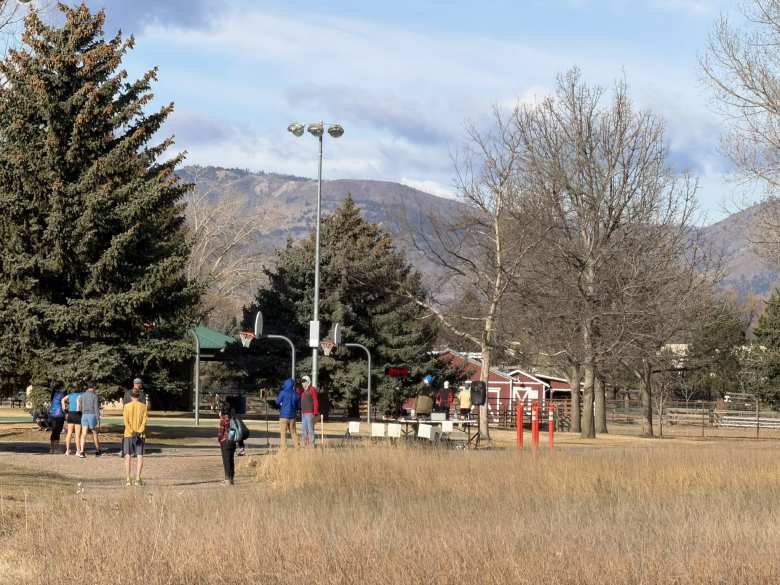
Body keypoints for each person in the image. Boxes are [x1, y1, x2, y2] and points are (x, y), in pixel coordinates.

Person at [122, 387, 148, 487]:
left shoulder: (126, 406)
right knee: (140, 455)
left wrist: (131, 431)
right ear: (139, 396)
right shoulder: (143, 406)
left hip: (128, 434)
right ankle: (137, 479)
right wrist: (139, 431)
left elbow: (125, 421)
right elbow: (144, 421)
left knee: (128, 455)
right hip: (140, 435)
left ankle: (128, 479)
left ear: (131, 396)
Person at [79, 383, 102, 458]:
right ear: (93, 387)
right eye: (95, 388)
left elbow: (80, 407)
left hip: (84, 415)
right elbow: (96, 408)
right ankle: (97, 450)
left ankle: (82, 451)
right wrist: (98, 420)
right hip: (92, 415)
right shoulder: (94, 396)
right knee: (94, 433)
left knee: (83, 434)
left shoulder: (82, 395)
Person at [275, 378, 300, 451]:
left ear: (285, 384)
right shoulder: (296, 394)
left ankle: (284, 449)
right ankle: (297, 447)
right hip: (292, 417)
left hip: (283, 416)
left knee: (283, 433)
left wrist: (281, 405)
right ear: (293, 385)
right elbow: (298, 406)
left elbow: (277, 402)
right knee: (293, 432)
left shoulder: (283, 392)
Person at [217, 401, 236, 485]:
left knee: (226, 460)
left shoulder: (223, 418)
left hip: (225, 441)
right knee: (231, 460)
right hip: (233, 441)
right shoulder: (233, 417)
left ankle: (227, 480)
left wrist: (219, 439)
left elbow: (221, 432)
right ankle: (231, 479)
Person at [299, 375, 319, 447]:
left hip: (310, 413)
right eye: (302, 382)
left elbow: (315, 400)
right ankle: (304, 444)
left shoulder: (312, 389)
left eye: (305, 382)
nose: (303, 383)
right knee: (303, 430)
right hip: (303, 413)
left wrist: (315, 411)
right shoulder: (302, 391)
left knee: (310, 429)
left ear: (308, 382)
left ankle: (311, 445)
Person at [62, 386, 83, 456]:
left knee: (69, 433)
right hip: (77, 414)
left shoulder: (70, 395)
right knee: (77, 434)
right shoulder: (80, 394)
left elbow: (62, 400)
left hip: (70, 414)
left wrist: (64, 408)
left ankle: (67, 450)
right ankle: (78, 451)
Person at [48, 384, 66, 454]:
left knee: (54, 431)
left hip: (52, 414)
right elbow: (63, 405)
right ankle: (56, 448)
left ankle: (51, 448)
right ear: (60, 388)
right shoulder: (61, 394)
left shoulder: (53, 395)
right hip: (59, 415)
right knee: (58, 431)